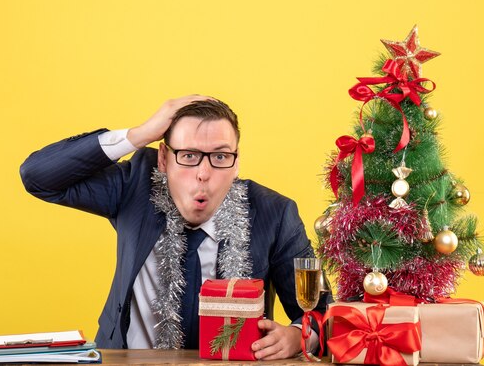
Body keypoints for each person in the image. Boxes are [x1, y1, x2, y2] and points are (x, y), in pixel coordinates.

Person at [20, 95, 325, 360]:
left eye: (220, 156)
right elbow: (37, 176)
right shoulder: (134, 186)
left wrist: (300, 336)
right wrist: (139, 135)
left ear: (236, 163)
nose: (203, 174)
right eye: (188, 156)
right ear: (163, 159)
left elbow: (322, 313)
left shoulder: (275, 212)